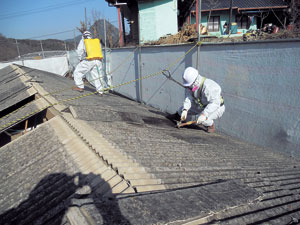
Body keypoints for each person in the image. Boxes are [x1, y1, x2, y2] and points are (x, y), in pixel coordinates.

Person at [169, 67, 225, 133]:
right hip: (202, 105)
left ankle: (211, 125)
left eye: (190, 85)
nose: (188, 87)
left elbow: (215, 103)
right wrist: (185, 109)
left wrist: (204, 114)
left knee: (202, 119)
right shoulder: (191, 86)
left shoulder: (209, 87)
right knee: (182, 110)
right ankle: (177, 116)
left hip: (216, 108)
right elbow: (189, 98)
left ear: (196, 81)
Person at [72, 31, 105, 96]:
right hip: (98, 60)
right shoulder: (95, 41)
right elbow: (100, 50)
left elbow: (80, 50)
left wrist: (80, 59)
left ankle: (80, 86)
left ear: (83, 35)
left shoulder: (83, 40)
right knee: (98, 76)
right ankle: (100, 91)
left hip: (88, 60)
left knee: (77, 72)